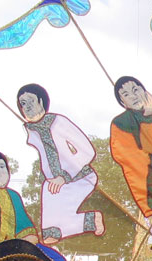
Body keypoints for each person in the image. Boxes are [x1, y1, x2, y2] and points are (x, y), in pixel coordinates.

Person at [17, 83, 104, 243]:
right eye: (23, 103)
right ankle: (90, 220)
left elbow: (87, 151)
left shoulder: (58, 122)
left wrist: (64, 176)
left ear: (42, 102)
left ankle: (90, 220)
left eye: (31, 101)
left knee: (56, 222)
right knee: (51, 231)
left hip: (80, 178)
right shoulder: (33, 130)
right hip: (55, 185)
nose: (27, 107)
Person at [109, 76, 152, 217]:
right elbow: (125, 153)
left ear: (145, 91)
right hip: (148, 182)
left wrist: (148, 116)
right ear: (122, 102)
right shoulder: (120, 123)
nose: (133, 96)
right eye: (126, 95)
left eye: (135, 90)